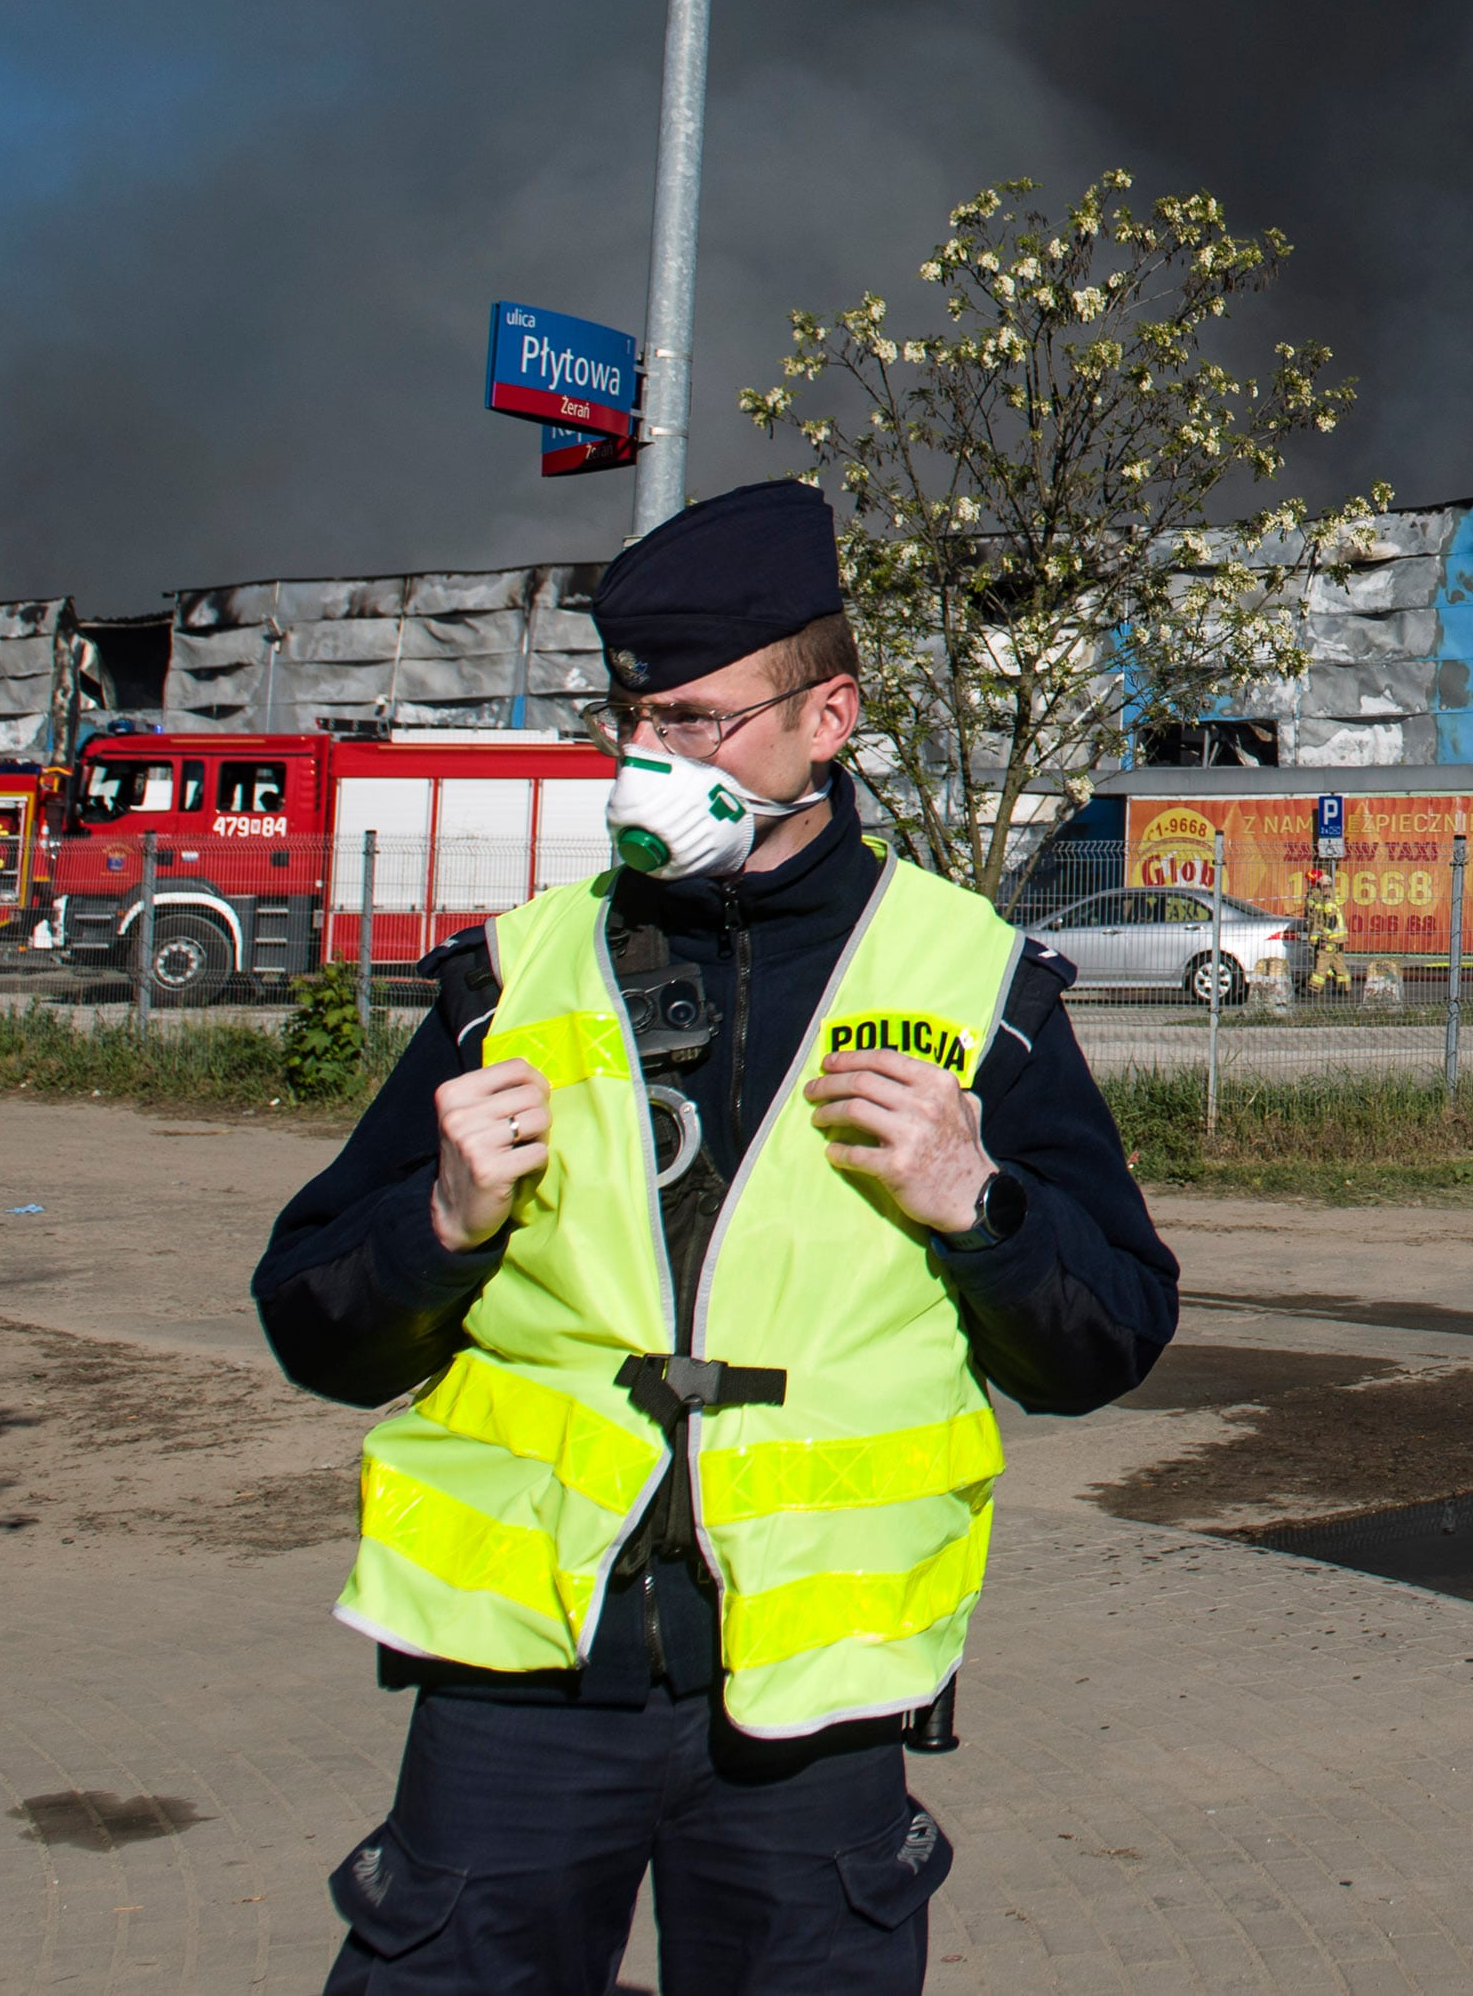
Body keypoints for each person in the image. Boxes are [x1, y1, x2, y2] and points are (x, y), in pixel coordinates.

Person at [257, 479, 1178, 1993]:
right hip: (522, 1693)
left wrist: (983, 1204)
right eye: (636, 720)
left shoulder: (977, 984)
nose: (651, 761)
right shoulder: (515, 974)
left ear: (831, 715)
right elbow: (310, 1317)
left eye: (696, 723)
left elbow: (1110, 1338)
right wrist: (438, 1222)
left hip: (810, 1723)